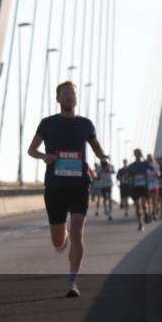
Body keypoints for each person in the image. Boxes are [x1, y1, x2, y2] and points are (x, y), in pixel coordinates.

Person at [28, 81, 110, 298]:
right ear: (58, 99)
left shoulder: (85, 124)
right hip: (54, 186)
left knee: (77, 232)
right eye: (65, 94)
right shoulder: (47, 124)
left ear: (76, 98)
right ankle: (60, 237)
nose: (69, 97)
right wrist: (44, 156)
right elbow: (31, 149)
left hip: (79, 185)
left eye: (72, 94)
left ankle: (72, 281)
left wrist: (104, 158)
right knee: (58, 241)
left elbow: (96, 146)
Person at [126, 149, 151, 230]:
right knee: (137, 207)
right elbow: (127, 176)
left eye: (139, 153)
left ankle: (146, 212)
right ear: (134, 155)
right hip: (135, 187)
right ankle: (140, 224)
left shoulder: (145, 164)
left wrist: (149, 175)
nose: (137, 155)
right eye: (136, 154)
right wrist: (129, 178)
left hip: (144, 187)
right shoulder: (131, 166)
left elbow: (153, 171)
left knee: (144, 204)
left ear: (141, 154)